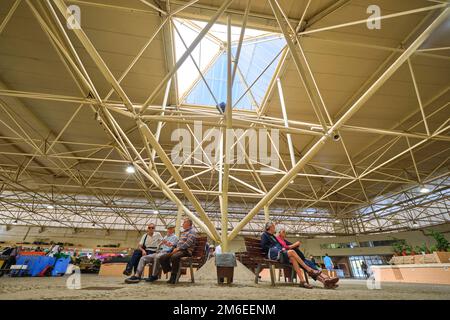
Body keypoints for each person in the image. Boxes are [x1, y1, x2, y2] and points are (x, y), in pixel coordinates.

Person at [159, 218, 196, 284]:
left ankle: (174, 276)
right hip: (179, 250)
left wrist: (178, 248)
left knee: (174, 257)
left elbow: (188, 243)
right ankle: (175, 272)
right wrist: (173, 245)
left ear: (188, 224)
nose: (182, 224)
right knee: (162, 257)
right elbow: (179, 243)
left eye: (184, 222)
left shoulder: (192, 231)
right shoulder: (184, 232)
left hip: (186, 251)